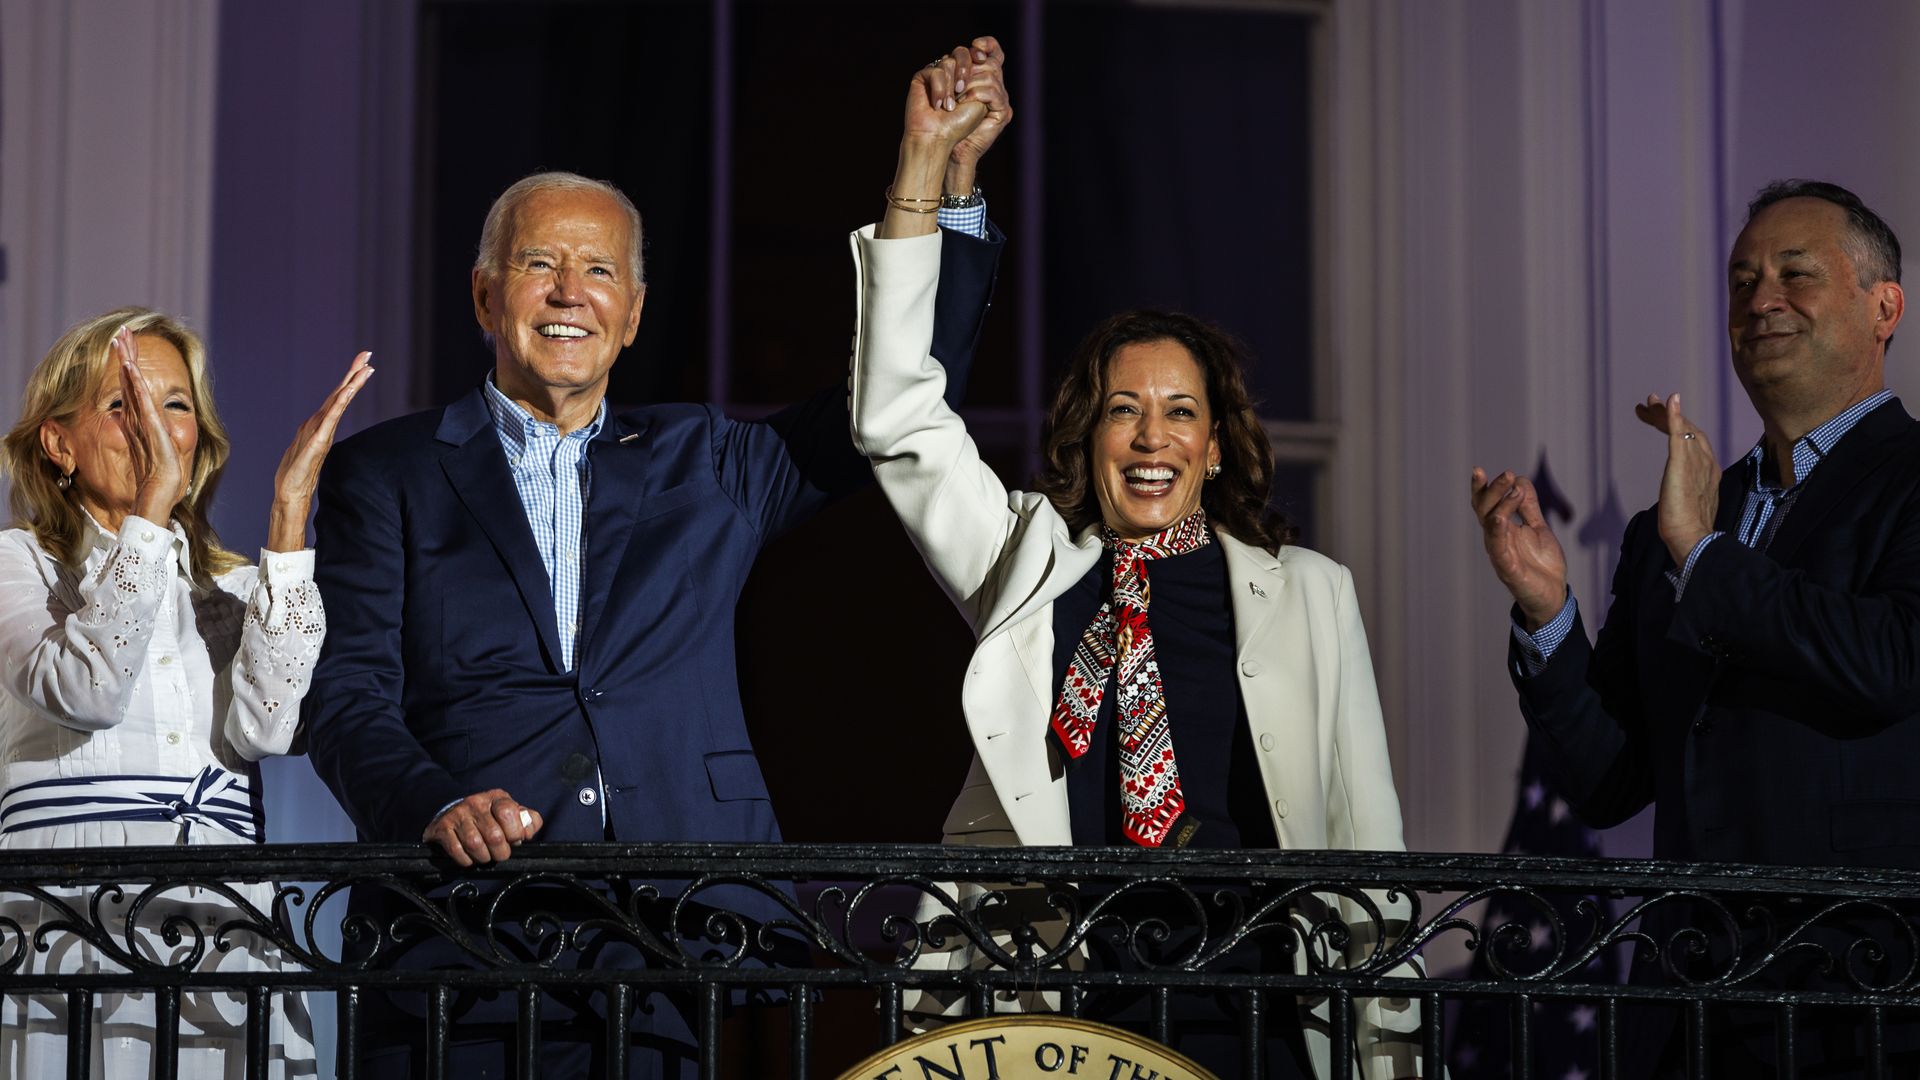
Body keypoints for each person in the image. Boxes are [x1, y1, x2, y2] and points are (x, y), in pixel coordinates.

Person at [303, 39, 1012, 1079]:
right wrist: (434, 805)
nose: (569, 291)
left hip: (670, 940)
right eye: (541, 263)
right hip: (456, 943)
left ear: (632, 314)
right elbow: (348, 697)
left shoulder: (706, 461)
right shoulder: (387, 472)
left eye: (600, 270)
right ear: (485, 296)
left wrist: (934, 182)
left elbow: (899, 395)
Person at [846, 59, 1422, 1080]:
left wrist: (1389, 1054)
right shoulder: (1026, 557)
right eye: (1124, 409)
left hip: (1256, 1010)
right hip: (1053, 1010)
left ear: (1213, 448)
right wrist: (921, 170)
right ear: (1089, 432)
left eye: (1180, 413)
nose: (1150, 436)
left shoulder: (1311, 593)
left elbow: (1368, 847)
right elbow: (897, 418)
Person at [1472, 179, 1920, 1076]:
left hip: (1864, 1002)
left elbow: (1894, 660)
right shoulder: (1669, 530)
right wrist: (1547, 612)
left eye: (1796, 274)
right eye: (1743, 280)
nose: (1761, 300)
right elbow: (1611, 781)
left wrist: (1705, 557)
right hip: (1687, 1010)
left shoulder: (1905, 483)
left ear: (1884, 307)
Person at [0, 307, 371, 1079]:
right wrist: (147, 518)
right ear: (58, 442)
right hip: (67, 925)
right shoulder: (19, 564)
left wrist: (288, 521)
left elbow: (269, 733)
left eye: (174, 404)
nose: (153, 425)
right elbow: (86, 690)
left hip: (221, 922)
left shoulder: (231, 588)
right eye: (123, 402)